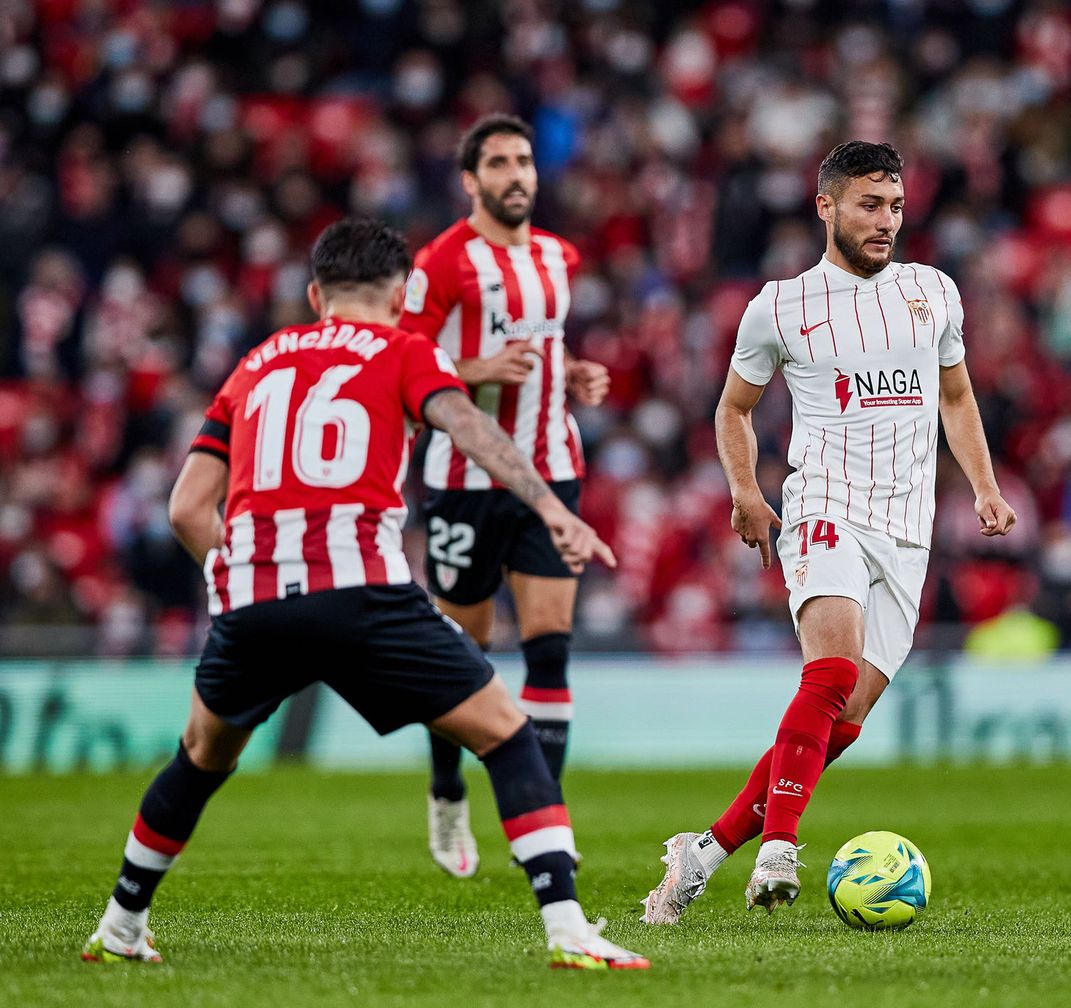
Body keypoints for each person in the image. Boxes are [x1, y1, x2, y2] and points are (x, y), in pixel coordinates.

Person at [80, 218, 648, 971]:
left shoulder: (255, 363)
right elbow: (469, 428)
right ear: (404, 292)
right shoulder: (407, 350)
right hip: (361, 593)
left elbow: (187, 508)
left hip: (254, 599)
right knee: (508, 734)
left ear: (316, 294)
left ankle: (121, 923)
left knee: (200, 757)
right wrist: (551, 508)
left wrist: (242, 569)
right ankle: (569, 929)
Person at [640, 141, 1017, 923]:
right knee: (832, 674)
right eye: (870, 206)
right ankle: (778, 849)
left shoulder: (933, 292)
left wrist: (984, 486)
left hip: (907, 533)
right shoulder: (779, 306)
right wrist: (746, 490)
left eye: (897, 207)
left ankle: (702, 852)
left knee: (839, 725)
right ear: (827, 206)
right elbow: (733, 409)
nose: (887, 222)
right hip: (824, 509)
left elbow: (955, 397)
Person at [399, 114, 609, 878]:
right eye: (499, 163)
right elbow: (407, 354)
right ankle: (447, 787)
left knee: (550, 646)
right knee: (465, 654)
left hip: (551, 470)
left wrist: (574, 372)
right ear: (470, 180)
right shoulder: (444, 261)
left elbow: (544, 343)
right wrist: (478, 366)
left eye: (524, 161)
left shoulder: (559, 255)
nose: (517, 174)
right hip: (463, 481)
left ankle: (541, 822)